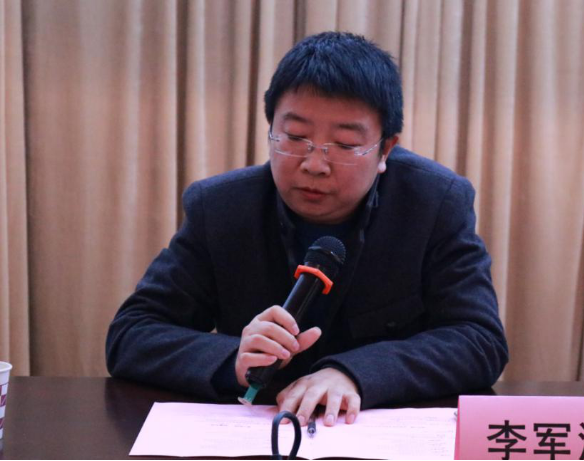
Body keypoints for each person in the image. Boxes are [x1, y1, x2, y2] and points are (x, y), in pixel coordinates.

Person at [106, 31, 508, 428]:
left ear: (385, 149)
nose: (315, 165)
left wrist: (356, 372)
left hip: (375, 432)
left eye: (345, 145)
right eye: (296, 137)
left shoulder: (433, 203)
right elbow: (132, 334)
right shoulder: (220, 208)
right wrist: (234, 358)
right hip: (257, 434)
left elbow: (480, 340)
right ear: (271, 130)